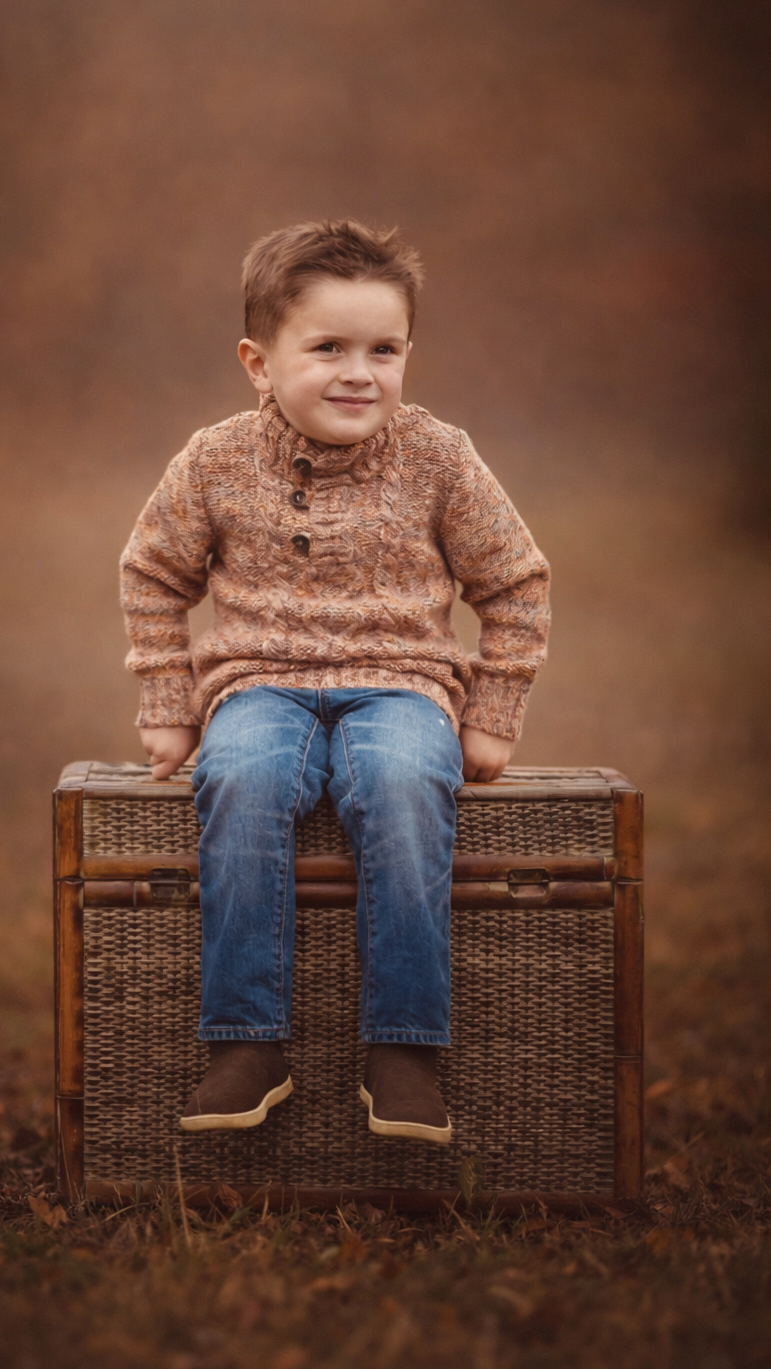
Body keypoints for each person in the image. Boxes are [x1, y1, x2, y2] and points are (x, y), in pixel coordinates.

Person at [120, 219, 550, 1143]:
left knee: (401, 784)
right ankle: (246, 1039)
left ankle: (401, 1045)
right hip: (257, 682)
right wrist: (166, 703)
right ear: (258, 362)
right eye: (328, 348)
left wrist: (494, 713)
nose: (360, 372)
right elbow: (154, 574)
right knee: (242, 778)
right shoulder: (215, 460)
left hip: (401, 683)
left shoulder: (440, 458)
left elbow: (515, 583)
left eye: (383, 350)